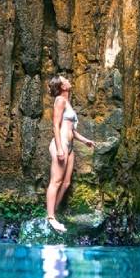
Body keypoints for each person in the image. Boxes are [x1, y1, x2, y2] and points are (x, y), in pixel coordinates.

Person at [46, 75, 95, 232]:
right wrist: (60, 148)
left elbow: (72, 130)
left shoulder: (67, 102)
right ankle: (51, 218)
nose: (68, 80)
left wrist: (85, 140)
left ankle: (54, 212)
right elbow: (55, 125)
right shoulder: (60, 100)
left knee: (66, 183)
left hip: (70, 146)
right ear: (63, 87)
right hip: (61, 144)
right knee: (56, 181)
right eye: (64, 79)